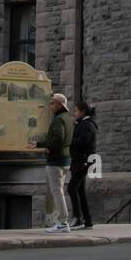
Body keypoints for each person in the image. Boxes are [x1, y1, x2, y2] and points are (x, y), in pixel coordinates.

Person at [28, 92, 73, 232]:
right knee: (59, 191)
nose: (50, 105)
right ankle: (63, 222)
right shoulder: (68, 118)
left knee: (57, 191)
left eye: (53, 102)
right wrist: (41, 144)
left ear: (60, 104)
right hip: (65, 159)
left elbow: (59, 138)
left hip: (56, 160)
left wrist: (47, 147)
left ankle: (63, 223)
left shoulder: (59, 120)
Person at [67, 101, 98, 229]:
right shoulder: (83, 123)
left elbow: (82, 142)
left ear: (83, 112)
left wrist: (70, 141)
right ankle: (88, 220)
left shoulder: (86, 125)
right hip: (80, 161)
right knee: (80, 191)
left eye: (76, 111)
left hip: (83, 162)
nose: (74, 113)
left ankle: (78, 218)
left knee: (71, 188)